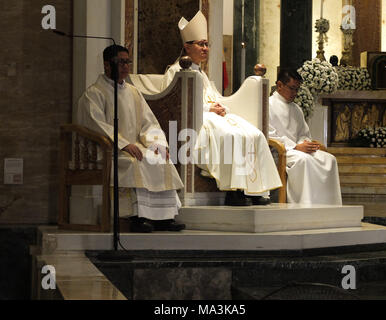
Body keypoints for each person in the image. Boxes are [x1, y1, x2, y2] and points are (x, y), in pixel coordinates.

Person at [161, 11, 282, 206]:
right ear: (186, 46)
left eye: (207, 44)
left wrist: (218, 106)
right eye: (201, 44)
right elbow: (177, 104)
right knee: (230, 135)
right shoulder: (176, 71)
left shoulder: (200, 72)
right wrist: (210, 109)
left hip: (213, 116)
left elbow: (212, 96)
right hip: (195, 119)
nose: (206, 48)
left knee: (254, 134)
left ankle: (255, 189)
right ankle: (233, 191)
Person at [77, 45, 185, 233]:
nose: (126, 66)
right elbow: (95, 124)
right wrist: (124, 144)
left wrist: (157, 144)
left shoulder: (133, 92)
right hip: (108, 150)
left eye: (128, 62)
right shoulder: (94, 93)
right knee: (135, 162)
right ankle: (136, 217)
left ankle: (164, 218)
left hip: (134, 147)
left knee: (160, 158)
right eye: (121, 62)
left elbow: (148, 123)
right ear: (107, 65)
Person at [269, 69, 342, 205]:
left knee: (329, 159)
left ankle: (328, 205)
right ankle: (305, 204)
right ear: (279, 85)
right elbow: (269, 135)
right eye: (292, 89)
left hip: (298, 149)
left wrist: (305, 144)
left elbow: (303, 134)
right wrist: (295, 146)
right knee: (304, 161)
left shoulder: (296, 108)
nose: (295, 93)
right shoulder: (268, 105)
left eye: (297, 89)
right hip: (282, 151)